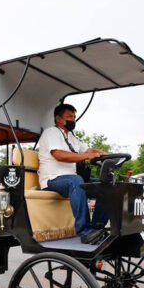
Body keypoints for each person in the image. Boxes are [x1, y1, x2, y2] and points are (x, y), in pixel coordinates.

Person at [38, 103, 107, 241]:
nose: (73, 120)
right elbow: (59, 155)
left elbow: (88, 150)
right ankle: (84, 231)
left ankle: (97, 227)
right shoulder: (51, 132)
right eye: (69, 116)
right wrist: (86, 156)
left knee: (102, 184)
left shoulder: (71, 137)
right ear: (58, 119)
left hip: (71, 179)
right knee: (76, 181)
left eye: (74, 117)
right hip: (52, 179)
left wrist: (105, 154)